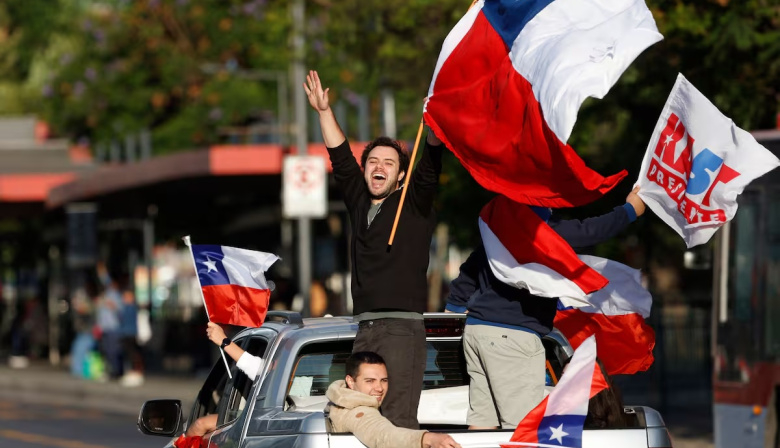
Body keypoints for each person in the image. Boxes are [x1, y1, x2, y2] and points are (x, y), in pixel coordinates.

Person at [304, 70, 444, 429]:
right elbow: (340, 158)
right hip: (364, 326)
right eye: (373, 162)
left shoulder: (414, 204)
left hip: (401, 328)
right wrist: (323, 111)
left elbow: (430, 165)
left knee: (396, 422)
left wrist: (435, 121)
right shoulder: (359, 202)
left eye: (389, 163)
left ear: (401, 176)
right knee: (360, 419)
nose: (379, 167)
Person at [446, 187, 646, 429]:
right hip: (512, 337)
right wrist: (630, 210)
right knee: (522, 429)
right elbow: (591, 230)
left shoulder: (498, 230)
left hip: (477, 332)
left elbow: (471, 267)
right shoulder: (541, 231)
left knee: (482, 424)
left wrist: (454, 305)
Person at [327, 352, 461, 448]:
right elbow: (383, 435)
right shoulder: (358, 412)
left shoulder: (341, 401)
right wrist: (427, 439)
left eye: (384, 380)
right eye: (370, 381)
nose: (379, 388)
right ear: (350, 381)